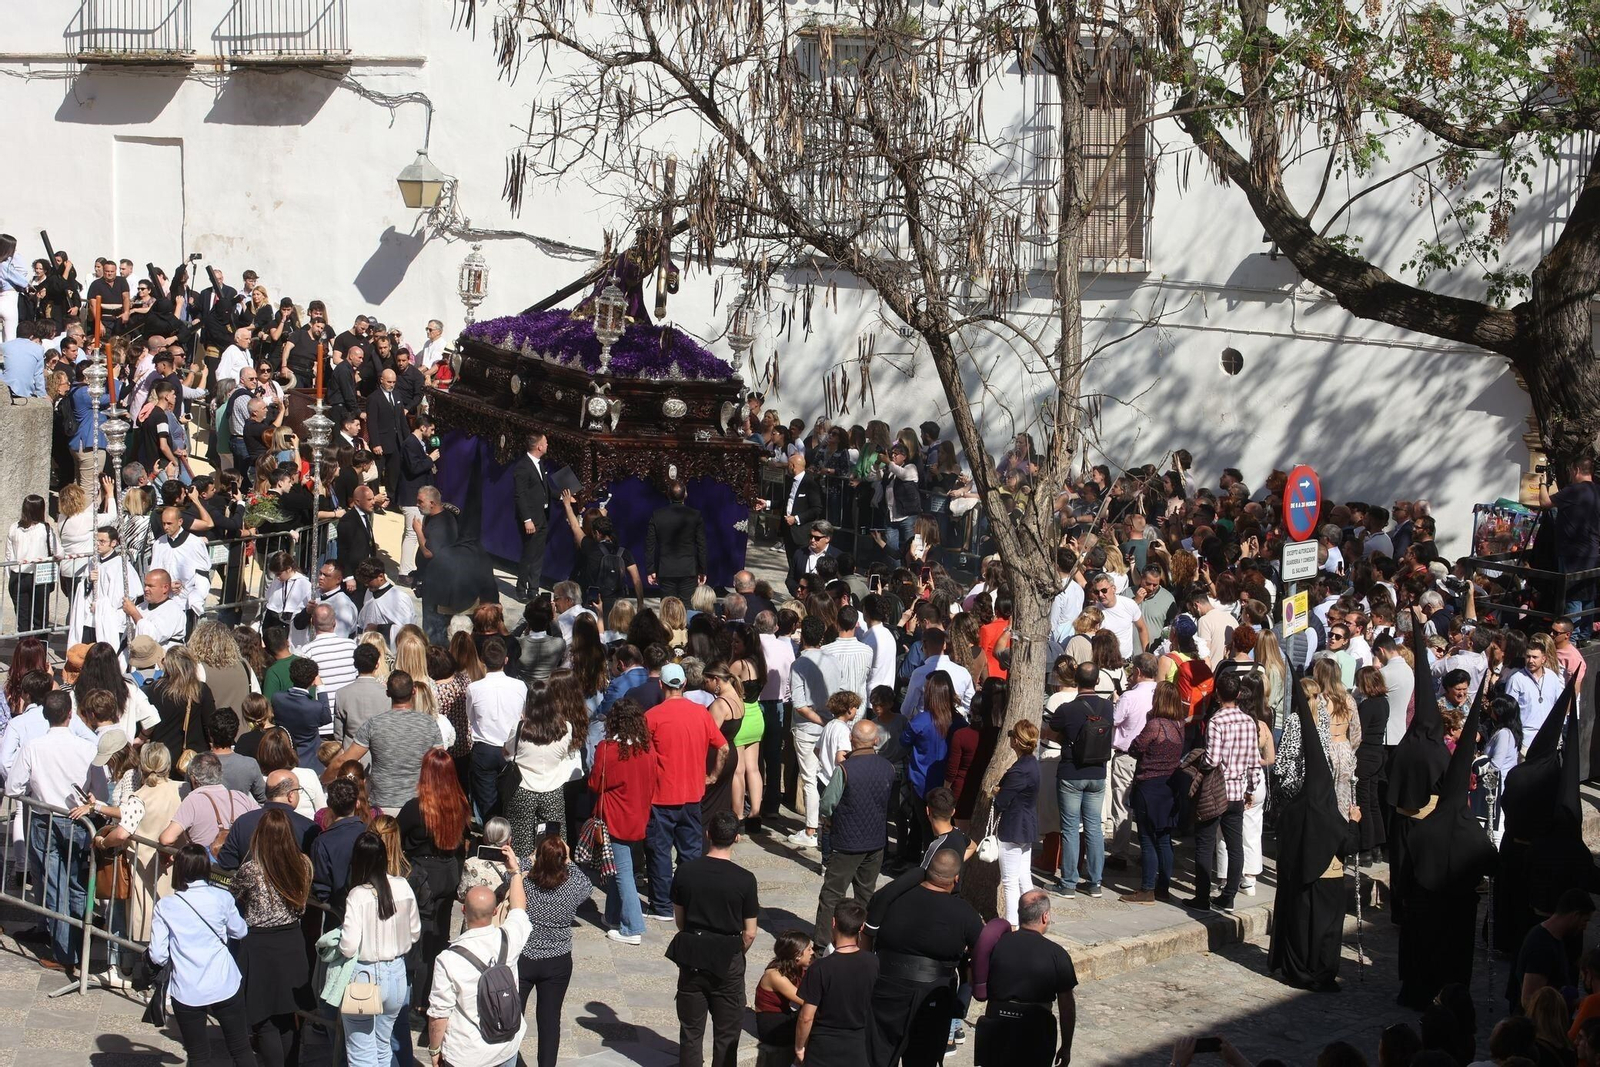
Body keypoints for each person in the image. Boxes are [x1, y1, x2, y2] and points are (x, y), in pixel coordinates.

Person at [1268, 681, 1360, 993]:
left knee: (1300, 925)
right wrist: (1354, 823)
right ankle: (1321, 972)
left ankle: (1298, 970)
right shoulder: (1331, 814)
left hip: (1300, 882)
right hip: (1328, 880)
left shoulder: (1294, 811)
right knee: (1327, 930)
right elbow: (1349, 845)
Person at [5, 690, 101, 974]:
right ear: (70, 715)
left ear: (45, 716)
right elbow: (100, 791)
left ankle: (66, 952)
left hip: (45, 820)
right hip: (78, 822)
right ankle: (79, 945)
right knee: (76, 883)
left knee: (56, 886)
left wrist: (37, 789)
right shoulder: (87, 748)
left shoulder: (34, 747)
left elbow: (13, 787)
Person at [866, 849, 983, 1067]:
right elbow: (979, 961)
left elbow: (868, 932)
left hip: (886, 991)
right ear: (956, 878)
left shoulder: (892, 899)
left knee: (876, 1058)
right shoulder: (967, 915)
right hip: (933, 999)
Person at [426, 838, 531, 1067]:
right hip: (506, 1047)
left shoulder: (448, 959)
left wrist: (434, 1048)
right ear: (494, 911)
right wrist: (515, 872)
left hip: (467, 1053)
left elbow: (439, 1013)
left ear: (463, 910)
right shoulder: (509, 939)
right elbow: (519, 908)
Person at [148, 844, 256, 1066]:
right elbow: (240, 931)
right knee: (240, 1049)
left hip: (187, 988)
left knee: (198, 1055)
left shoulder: (166, 905)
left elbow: (157, 955)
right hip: (224, 982)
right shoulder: (222, 897)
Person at [668, 810, 759, 1067]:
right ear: (736, 838)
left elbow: (680, 921)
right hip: (727, 957)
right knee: (727, 1035)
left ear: (707, 834)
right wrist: (736, 951)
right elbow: (750, 932)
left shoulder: (685, 871)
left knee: (691, 1033)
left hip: (693, 954)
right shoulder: (745, 879)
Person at [644, 662, 730, 920]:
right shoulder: (701, 714)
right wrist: (712, 776)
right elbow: (724, 748)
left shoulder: (651, 716)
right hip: (693, 795)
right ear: (683, 684)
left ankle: (662, 905)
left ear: (661, 685)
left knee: (659, 852)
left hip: (660, 797)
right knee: (690, 852)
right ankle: (688, 899)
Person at [230, 808, 315, 1067]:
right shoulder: (303, 864)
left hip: (260, 946)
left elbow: (233, 892)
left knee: (263, 1020)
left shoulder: (251, 869)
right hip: (291, 942)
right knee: (287, 1017)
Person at [339, 831, 422, 1067]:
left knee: (361, 1053)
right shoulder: (403, 885)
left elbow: (348, 947)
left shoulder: (357, 895)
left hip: (364, 977)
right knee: (382, 1046)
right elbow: (415, 932)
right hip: (397, 975)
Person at [398, 748, 470, 1009]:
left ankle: (418, 999)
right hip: (449, 873)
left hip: (422, 877)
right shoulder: (460, 805)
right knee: (439, 937)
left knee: (419, 939)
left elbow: (396, 839)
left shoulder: (414, 808)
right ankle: (435, 995)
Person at [974, 890, 1077, 1067]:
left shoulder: (997, 945)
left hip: (996, 1031)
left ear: (1019, 913)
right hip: (1036, 1034)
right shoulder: (1057, 954)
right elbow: (1067, 1005)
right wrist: (1066, 1046)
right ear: (1045, 916)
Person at [814, 718, 894, 948]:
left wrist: (828, 820)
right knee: (866, 894)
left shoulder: (845, 769)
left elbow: (827, 804)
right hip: (876, 841)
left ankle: (822, 945)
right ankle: (864, 943)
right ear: (876, 740)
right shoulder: (888, 767)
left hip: (847, 842)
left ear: (851, 740)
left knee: (832, 894)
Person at [1188, 670, 1259, 914]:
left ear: (1218, 694)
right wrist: (1251, 788)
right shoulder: (1248, 721)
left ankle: (1202, 897)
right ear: (1238, 694)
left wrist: (1197, 761)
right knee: (1235, 845)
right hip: (1237, 790)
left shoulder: (1217, 721)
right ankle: (1228, 896)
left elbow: (1212, 758)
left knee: (1205, 843)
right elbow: (1254, 760)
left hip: (1216, 790)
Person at [325, 670, 442, 814]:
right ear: (414, 691)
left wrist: (323, 779)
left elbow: (343, 760)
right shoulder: (429, 723)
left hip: (383, 805)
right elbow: (441, 762)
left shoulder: (373, 724)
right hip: (420, 804)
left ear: (387, 693)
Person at [589, 696, 655, 945]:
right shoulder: (646, 749)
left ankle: (632, 927)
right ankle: (613, 916)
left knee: (622, 872)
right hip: (639, 815)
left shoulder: (608, 750)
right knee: (618, 868)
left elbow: (595, 783)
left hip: (616, 818)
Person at [1045, 662, 1113, 898]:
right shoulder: (1108, 707)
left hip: (1071, 773)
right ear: (1097, 681)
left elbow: (1051, 730)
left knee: (1070, 829)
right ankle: (1095, 883)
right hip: (1098, 773)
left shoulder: (1066, 709)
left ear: (1075, 680)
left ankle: (1068, 883)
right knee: (1094, 827)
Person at [796, 898, 878, 1066]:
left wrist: (799, 1046)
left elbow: (806, 1017)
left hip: (823, 1048)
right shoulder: (873, 962)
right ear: (861, 927)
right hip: (858, 1045)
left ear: (833, 922)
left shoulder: (820, 968)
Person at [467, 638, 526, 822]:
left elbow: (471, 717)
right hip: (511, 749)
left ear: (482, 660)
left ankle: (493, 834)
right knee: (511, 801)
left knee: (488, 805)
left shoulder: (474, 688)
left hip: (487, 749)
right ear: (506, 660)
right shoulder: (520, 686)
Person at [991, 720, 1041, 927]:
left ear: (1017, 741)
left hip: (1013, 828)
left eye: (1012, 735)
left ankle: (1011, 924)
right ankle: (1033, 920)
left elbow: (1002, 802)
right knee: (1023, 876)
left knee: (1010, 881)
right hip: (1026, 826)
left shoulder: (1019, 770)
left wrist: (996, 792)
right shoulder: (1033, 764)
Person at [646, 479, 708, 600]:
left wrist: (650, 569)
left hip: (666, 568)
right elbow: (701, 545)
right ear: (685, 494)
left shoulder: (658, 515)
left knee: (668, 606)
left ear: (668, 494)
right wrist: (703, 569)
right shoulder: (695, 515)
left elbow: (650, 545)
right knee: (687, 606)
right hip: (688, 568)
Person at [755, 930, 813, 1050]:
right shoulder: (776, 976)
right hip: (772, 1027)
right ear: (797, 955)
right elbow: (805, 1001)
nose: (812, 952)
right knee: (814, 1019)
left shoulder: (796, 967)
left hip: (786, 1015)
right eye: (809, 949)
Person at [512, 432, 552, 598]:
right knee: (529, 555)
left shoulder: (539, 464)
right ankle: (521, 589)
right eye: (546, 442)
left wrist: (563, 497)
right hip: (531, 519)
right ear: (539, 447)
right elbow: (520, 495)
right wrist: (527, 519)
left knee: (538, 556)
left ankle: (534, 589)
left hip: (542, 517)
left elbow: (545, 489)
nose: (547, 445)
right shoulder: (523, 467)